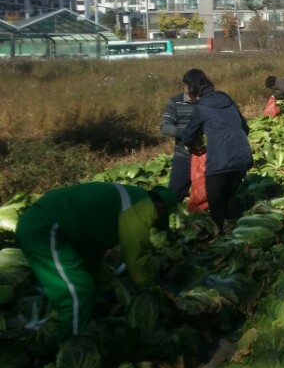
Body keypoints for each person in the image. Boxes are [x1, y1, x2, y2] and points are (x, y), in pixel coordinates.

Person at [16, 182, 178, 340]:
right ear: (161, 206)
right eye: (164, 216)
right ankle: (70, 346)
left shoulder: (125, 200)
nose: (156, 223)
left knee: (84, 285)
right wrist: (152, 289)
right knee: (77, 292)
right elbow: (136, 255)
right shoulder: (142, 205)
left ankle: (74, 334)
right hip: (46, 228)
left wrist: (108, 290)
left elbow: (93, 254)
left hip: (46, 226)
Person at [181, 69, 252, 232]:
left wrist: (192, 144)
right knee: (228, 195)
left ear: (191, 88)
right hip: (243, 156)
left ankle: (223, 238)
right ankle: (241, 232)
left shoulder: (201, 107)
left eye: (185, 87)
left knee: (215, 201)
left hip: (221, 159)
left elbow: (188, 135)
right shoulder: (226, 98)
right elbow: (244, 127)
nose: (184, 92)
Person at [160, 79, 196, 201]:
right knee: (174, 196)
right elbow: (165, 127)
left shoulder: (206, 101)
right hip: (183, 156)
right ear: (184, 87)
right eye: (188, 91)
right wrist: (187, 133)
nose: (192, 96)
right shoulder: (175, 101)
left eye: (194, 92)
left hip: (206, 157)